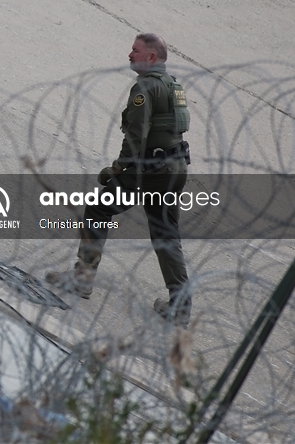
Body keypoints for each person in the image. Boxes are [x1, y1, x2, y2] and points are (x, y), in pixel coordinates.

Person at [45, 33, 194, 326]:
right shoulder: (172, 84)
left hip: (150, 169)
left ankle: (82, 278)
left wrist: (117, 169)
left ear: (151, 57)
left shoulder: (145, 87)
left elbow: (136, 136)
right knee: (166, 234)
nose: (130, 54)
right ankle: (181, 304)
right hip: (175, 168)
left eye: (135, 51)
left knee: (98, 209)